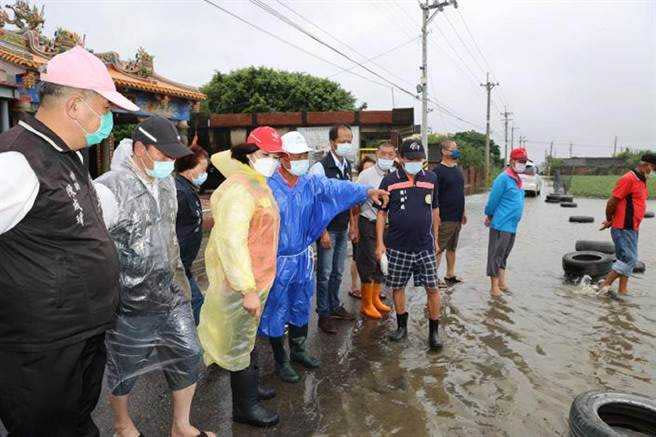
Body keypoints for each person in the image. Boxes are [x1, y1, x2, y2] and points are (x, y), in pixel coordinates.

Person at [0, 46, 138, 436]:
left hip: (81, 333)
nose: (108, 119)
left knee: (76, 422)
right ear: (76, 105)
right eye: (105, 109)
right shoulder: (14, 161)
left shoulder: (67, 155)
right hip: (41, 346)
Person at [95, 116, 213, 437]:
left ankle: (181, 425)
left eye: (173, 156)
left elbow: (170, 238)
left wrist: (182, 283)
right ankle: (122, 425)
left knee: (189, 353)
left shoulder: (167, 184)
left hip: (171, 292)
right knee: (125, 368)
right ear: (139, 148)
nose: (170, 162)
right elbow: (91, 247)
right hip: (130, 301)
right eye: (163, 155)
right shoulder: (109, 187)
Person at [258, 131, 388, 383]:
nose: (301, 160)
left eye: (304, 155)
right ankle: (280, 360)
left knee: (300, 305)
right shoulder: (266, 184)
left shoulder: (309, 183)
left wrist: (367, 191)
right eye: (297, 155)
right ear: (282, 157)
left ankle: (298, 350)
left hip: (302, 257)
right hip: (277, 259)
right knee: (276, 308)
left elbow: (336, 187)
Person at [197, 126, 283, 428]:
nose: (272, 160)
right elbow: (232, 242)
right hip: (240, 284)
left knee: (247, 336)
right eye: (266, 154)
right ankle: (245, 407)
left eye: (275, 155)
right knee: (238, 343)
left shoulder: (257, 181)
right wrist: (246, 288)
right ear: (248, 154)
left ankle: (252, 387)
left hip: (256, 280)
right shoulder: (240, 188)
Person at [375, 139, 444, 350]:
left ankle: (434, 333)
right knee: (398, 286)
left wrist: (436, 239)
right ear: (401, 159)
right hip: (397, 246)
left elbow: (435, 210)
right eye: (410, 159)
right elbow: (381, 213)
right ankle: (402, 327)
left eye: (419, 159)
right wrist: (380, 244)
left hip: (425, 246)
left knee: (432, 288)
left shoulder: (431, 178)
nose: (415, 162)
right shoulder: (389, 181)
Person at [309, 124, 358, 333]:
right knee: (325, 273)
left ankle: (335, 305)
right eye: (343, 141)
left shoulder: (347, 166)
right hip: (327, 230)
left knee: (338, 272)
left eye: (349, 140)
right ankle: (324, 313)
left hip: (343, 227)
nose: (347, 144)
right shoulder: (320, 168)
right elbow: (314, 202)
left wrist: (353, 225)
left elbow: (349, 198)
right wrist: (322, 232)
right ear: (332, 143)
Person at [598, 153, 656, 296]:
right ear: (646, 165)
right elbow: (612, 202)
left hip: (632, 228)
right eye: (653, 168)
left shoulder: (641, 180)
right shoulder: (628, 179)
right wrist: (609, 219)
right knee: (630, 260)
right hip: (624, 227)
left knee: (625, 259)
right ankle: (604, 284)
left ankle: (622, 290)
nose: (653, 172)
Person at [354, 142, 397, 319]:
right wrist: (354, 226)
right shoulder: (366, 175)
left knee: (382, 263)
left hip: (388, 226)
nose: (387, 158)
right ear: (377, 153)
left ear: (395, 155)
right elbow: (355, 201)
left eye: (390, 154)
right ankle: (366, 304)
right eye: (383, 154)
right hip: (368, 222)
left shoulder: (396, 175)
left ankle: (376, 299)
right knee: (369, 262)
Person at [484, 148, 528, 297]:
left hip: (511, 225)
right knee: (496, 255)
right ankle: (494, 287)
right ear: (511, 161)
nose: (522, 164)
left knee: (504, 255)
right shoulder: (503, 178)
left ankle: (502, 283)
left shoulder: (517, 179)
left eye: (524, 162)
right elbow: (493, 201)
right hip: (500, 224)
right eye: (520, 161)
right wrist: (489, 215)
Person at [175, 144, 210, 325]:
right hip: (177, 267)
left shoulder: (187, 189)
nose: (205, 174)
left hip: (184, 266)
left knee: (194, 306)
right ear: (188, 167)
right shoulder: (180, 193)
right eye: (202, 169)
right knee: (196, 306)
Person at [433, 140, 467, 287]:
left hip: (457, 216)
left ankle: (450, 274)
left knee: (452, 248)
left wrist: (463, 211)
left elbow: (460, 192)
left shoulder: (457, 170)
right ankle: (433, 277)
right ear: (444, 152)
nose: (456, 151)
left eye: (456, 148)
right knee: (439, 248)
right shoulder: (437, 172)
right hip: (444, 217)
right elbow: (435, 197)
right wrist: (437, 216)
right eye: (453, 149)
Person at [350, 155, 376, 299]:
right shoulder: (358, 186)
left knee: (372, 259)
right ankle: (355, 286)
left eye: (371, 168)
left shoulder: (378, 183)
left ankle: (371, 290)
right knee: (357, 258)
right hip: (361, 225)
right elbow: (353, 208)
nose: (368, 171)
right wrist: (354, 227)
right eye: (365, 169)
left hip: (373, 226)